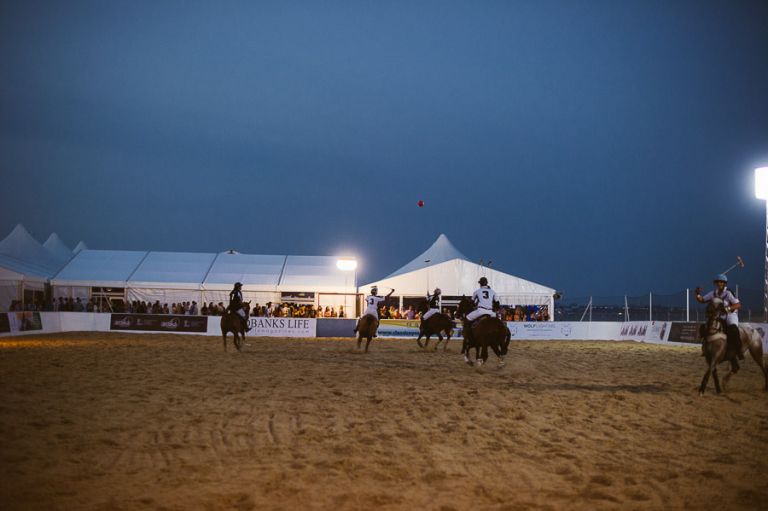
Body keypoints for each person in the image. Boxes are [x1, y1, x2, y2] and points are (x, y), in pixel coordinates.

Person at [695, 274, 742, 360]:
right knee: (704, 327)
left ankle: (739, 351)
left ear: (724, 283)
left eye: (721, 282)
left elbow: (738, 305)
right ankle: (705, 348)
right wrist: (697, 293)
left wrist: (728, 308)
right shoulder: (713, 293)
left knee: (733, 330)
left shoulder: (728, 293)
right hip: (719, 316)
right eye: (717, 282)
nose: (719, 283)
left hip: (730, 315)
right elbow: (702, 300)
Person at [464, 277, 498, 342]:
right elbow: (497, 303)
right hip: (491, 312)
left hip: (480, 311)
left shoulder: (477, 291)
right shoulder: (493, 292)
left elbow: (472, 302)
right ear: (486, 283)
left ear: (480, 284)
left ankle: (468, 336)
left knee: (467, 318)